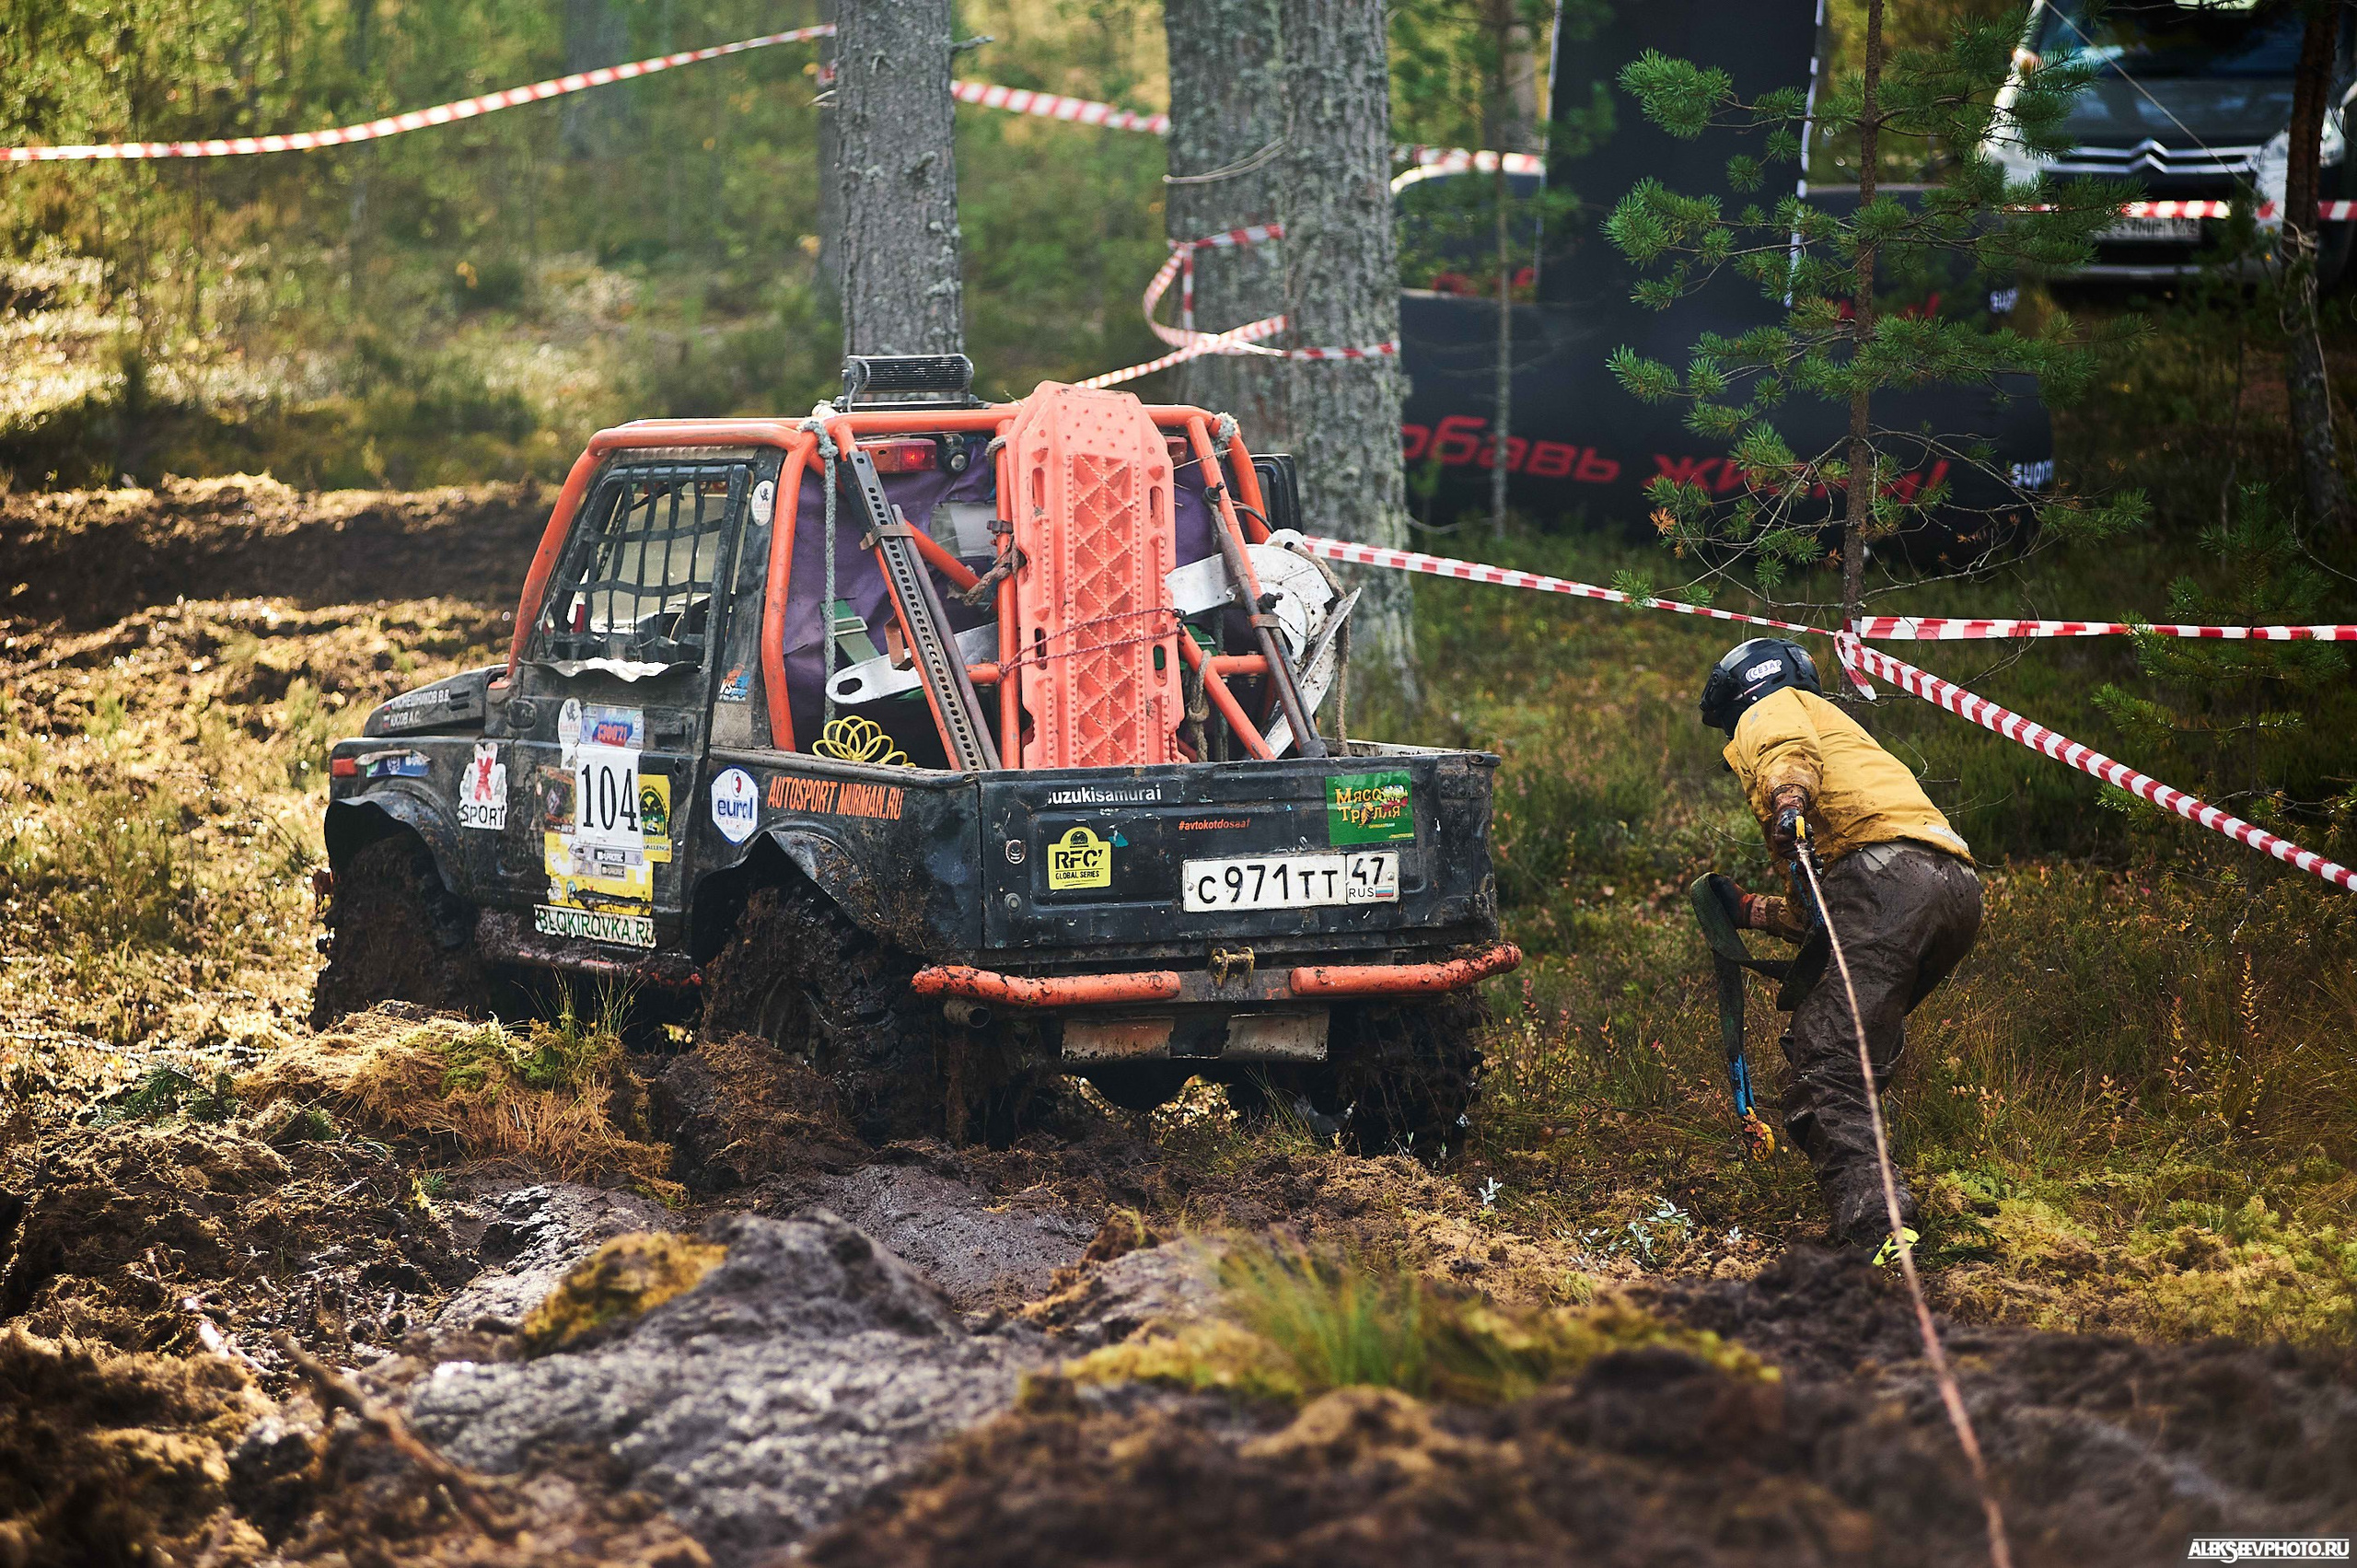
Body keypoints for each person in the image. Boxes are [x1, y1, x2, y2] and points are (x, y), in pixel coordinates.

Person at [1701, 637, 1982, 1247]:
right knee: (1848, 1047)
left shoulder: (1769, 708)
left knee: (1826, 1060)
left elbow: (1784, 752)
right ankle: (1879, 1205)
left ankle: (1878, 1228)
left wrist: (1786, 800)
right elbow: (1824, 913)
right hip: (1953, 890)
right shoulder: (1849, 748)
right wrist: (1751, 909)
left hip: (1884, 881)